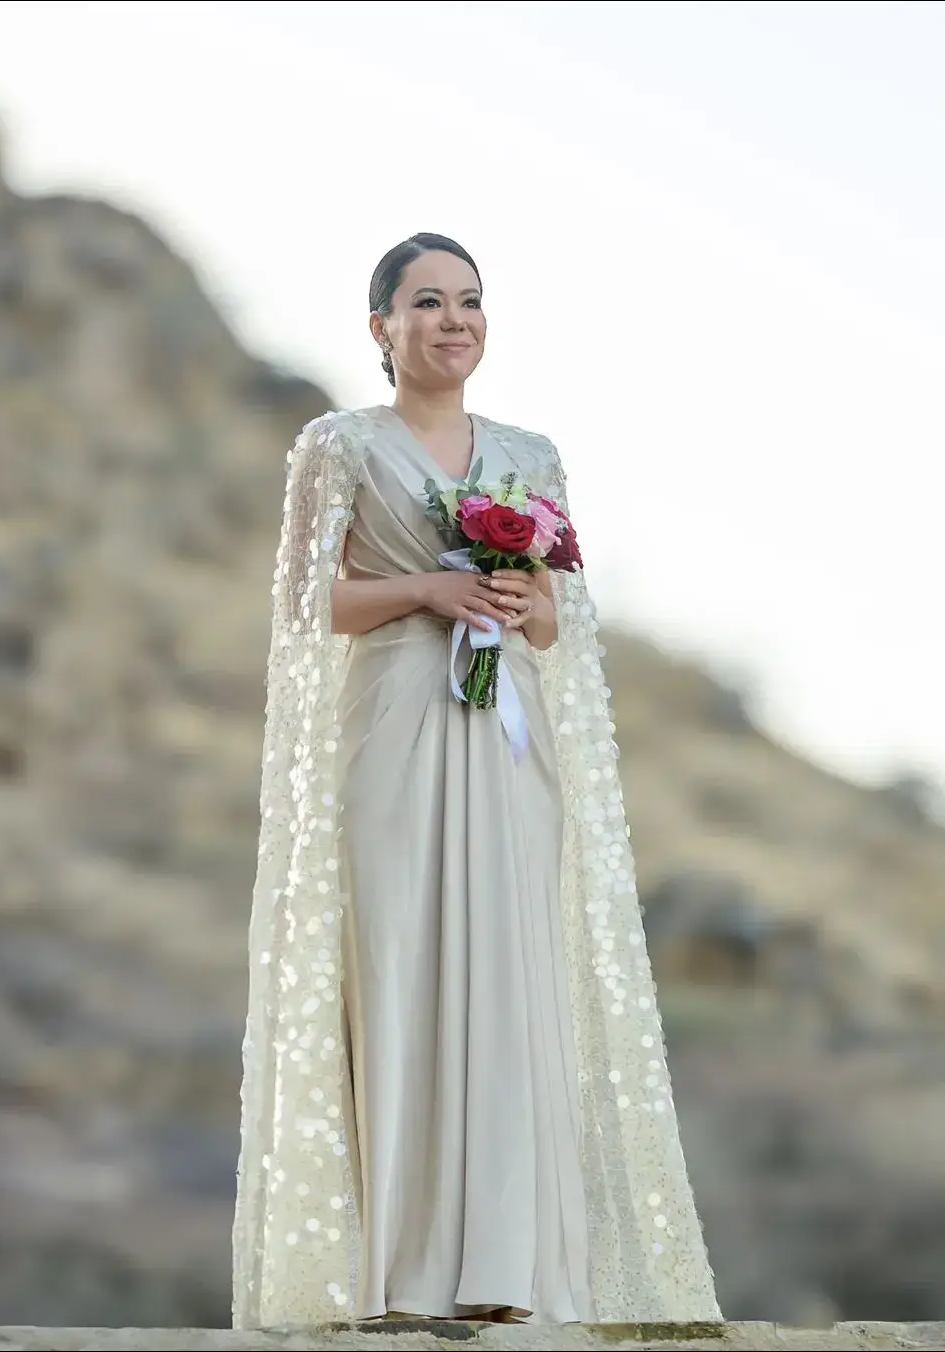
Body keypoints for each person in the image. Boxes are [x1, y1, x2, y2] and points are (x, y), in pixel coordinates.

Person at [232, 233, 721, 1329]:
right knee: (399, 967)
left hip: (505, 738)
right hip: (393, 727)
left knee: (508, 977)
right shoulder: (337, 445)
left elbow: (553, 620)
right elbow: (310, 606)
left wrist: (509, 588)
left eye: (470, 301)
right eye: (427, 302)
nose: (454, 320)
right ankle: (402, 1275)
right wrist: (426, 589)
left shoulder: (532, 455)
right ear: (381, 329)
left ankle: (512, 1268)